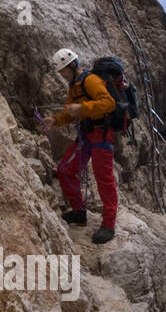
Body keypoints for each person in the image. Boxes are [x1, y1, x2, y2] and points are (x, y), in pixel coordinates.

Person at [43, 48, 119, 244]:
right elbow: (70, 113)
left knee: (104, 180)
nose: (62, 76)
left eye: (63, 72)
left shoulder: (91, 81)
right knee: (66, 169)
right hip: (86, 135)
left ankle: (109, 225)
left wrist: (83, 108)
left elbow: (109, 104)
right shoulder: (74, 86)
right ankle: (79, 212)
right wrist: (55, 120)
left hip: (101, 134)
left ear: (73, 66)